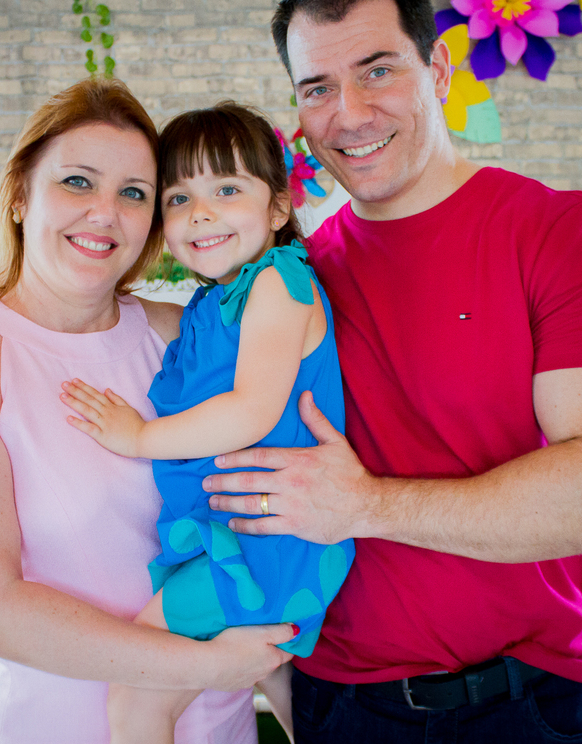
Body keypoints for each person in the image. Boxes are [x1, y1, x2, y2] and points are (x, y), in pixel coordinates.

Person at [202, 0, 582, 743]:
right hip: (338, 706)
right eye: (317, 88)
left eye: (377, 70)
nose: (348, 113)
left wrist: (367, 505)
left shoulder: (559, 235)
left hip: (522, 708)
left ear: (439, 70)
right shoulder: (294, 282)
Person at [0, 80, 296, 744]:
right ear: (22, 193)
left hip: (218, 725)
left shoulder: (188, 335)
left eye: (134, 193)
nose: (105, 213)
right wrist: (208, 663)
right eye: (78, 183)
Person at [60, 102, 354, 743]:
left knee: (139, 694)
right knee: (302, 711)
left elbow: (251, 410)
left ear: (278, 209)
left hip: (268, 542)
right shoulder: (209, 300)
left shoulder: (279, 281)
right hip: (243, 535)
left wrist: (137, 436)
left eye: (227, 190)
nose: (201, 213)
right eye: (178, 198)